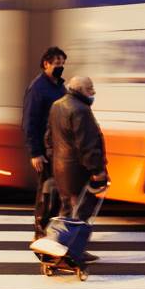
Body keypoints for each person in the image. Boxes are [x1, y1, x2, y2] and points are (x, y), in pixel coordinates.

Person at [45, 76, 108, 262]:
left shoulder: (57, 105)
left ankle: (60, 248)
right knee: (81, 212)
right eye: (90, 88)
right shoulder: (80, 110)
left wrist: (55, 160)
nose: (93, 92)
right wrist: (97, 170)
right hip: (77, 170)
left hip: (61, 168)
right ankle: (73, 251)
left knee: (66, 210)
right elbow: (87, 145)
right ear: (79, 89)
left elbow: (48, 138)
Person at [21, 46, 67, 239]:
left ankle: (51, 231)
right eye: (57, 64)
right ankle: (40, 233)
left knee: (56, 191)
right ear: (46, 64)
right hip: (45, 150)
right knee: (46, 192)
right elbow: (29, 122)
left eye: (63, 64)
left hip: (58, 148)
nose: (61, 67)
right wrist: (35, 152)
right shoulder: (38, 88)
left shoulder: (59, 86)